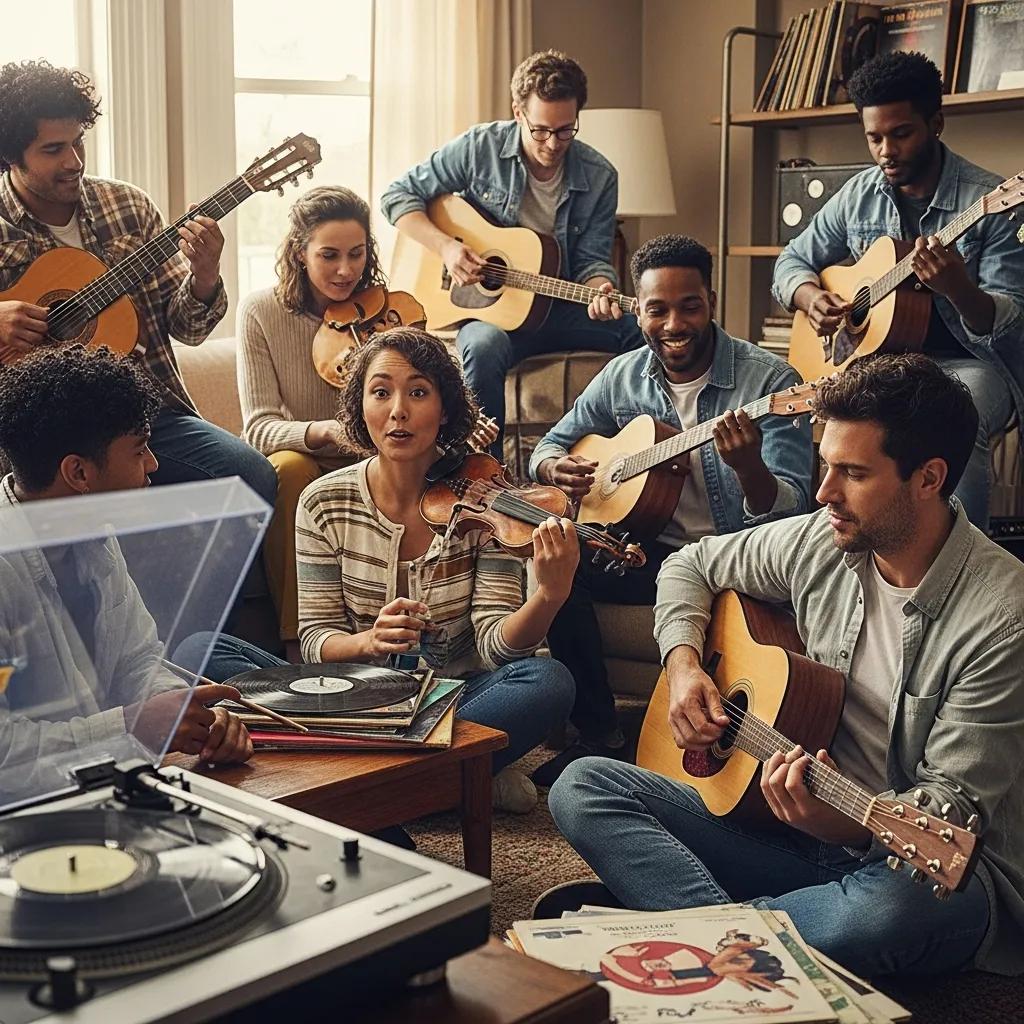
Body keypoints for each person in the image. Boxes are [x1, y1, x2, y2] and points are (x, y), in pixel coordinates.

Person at [549, 353, 1024, 979]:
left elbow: (948, 812)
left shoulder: (1004, 614)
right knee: (583, 786)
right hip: (782, 831)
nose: (824, 493)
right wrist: (687, 664)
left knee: (898, 913)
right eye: (825, 465)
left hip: (908, 864)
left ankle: (681, 930)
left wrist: (846, 827)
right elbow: (689, 565)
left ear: (929, 478)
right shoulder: (822, 537)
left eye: (852, 473)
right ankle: (738, 939)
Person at [527, 235, 813, 782]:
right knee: (561, 559)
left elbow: (792, 516)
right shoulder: (622, 375)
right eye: (657, 309)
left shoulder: (773, 383)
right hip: (646, 552)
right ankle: (598, 734)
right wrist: (553, 468)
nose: (673, 324)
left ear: (711, 299)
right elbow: (550, 445)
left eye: (689, 306)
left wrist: (750, 468)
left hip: (733, 561)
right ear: (639, 309)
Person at [278, 325, 574, 812]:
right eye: (381, 392)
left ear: (445, 409)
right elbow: (314, 639)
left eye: (418, 392)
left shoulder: (487, 498)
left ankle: (394, 783)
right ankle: (461, 776)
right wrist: (367, 642)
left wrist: (549, 596)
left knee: (549, 682)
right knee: (208, 651)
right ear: (361, 408)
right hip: (363, 701)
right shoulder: (323, 501)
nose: (398, 410)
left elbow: (495, 647)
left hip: (459, 696)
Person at [0, 59, 276, 507]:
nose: (74, 162)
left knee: (249, 477)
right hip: (29, 435)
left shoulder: (128, 206)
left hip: (140, 418)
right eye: (53, 150)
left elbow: (187, 328)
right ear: (11, 155)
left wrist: (204, 276)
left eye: (79, 143)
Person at [772, 50, 1024, 531]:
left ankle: (963, 567)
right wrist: (810, 297)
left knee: (956, 414)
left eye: (901, 133)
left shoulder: (990, 201)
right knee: (799, 403)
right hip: (876, 362)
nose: (886, 150)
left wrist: (957, 288)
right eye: (874, 137)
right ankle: (844, 551)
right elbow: (791, 260)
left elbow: (1010, 322)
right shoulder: (858, 194)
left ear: (936, 123)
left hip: (970, 364)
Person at [0, 345, 256, 778]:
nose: (153, 465)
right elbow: (5, 750)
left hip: (106, 781)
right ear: (78, 474)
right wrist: (130, 725)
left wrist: (187, 714)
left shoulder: (94, 534)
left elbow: (138, 661)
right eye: (139, 451)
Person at [381, 49, 643, 457]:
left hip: (556, 305)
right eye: (540, 130)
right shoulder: (478, 148)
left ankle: (631, 452)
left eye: (565, 130)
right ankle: (487, 474)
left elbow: (593, 259)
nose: (553, 144)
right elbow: (397, 197)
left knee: (642, 329)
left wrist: (601, 286)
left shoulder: (600, 175)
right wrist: (447, 248)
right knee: (482, 348)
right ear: (518, 113)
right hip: (492, 316)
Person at [237, 186, 381, 650]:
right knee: (288, 468)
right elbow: (257, 429)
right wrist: (323, 433)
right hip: (314, 456)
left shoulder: (385, 309)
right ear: (300, 253)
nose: (346, 270)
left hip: (378, 456)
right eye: (329, 255)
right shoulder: (260, 311)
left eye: (357, 254)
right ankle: (300, 641)